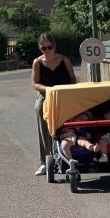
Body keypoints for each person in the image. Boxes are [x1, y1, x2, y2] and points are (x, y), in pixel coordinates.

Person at [31, 33, 76, 174]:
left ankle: (69, 155)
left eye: (49, 47)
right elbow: (35, 83)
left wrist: (67, 92)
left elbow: (73, 79)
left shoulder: (64, 60)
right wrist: (49, 90)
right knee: (39, 109)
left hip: (64, 94)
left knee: (70, 121)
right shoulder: (37, 62)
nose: (47, 51)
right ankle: (45, 162)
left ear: (54, 46)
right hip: (46, 95)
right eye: (43, 48)